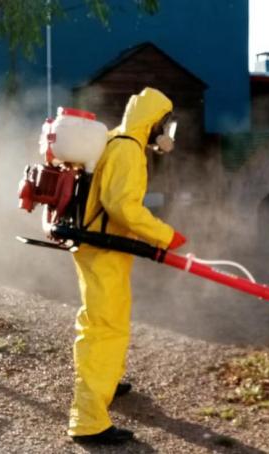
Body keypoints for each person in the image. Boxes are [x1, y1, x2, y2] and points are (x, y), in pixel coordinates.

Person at [68, 87, 186, 445]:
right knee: (105, 328)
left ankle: (108, 380)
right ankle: (88, 421)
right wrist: (165, 235)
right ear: (153, 123)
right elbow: (122, 206)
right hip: (103, 248)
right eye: (165, 125)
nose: (167, 133)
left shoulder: (116, 139)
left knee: (103, 319)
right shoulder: (128, 150)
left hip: (99, 246)